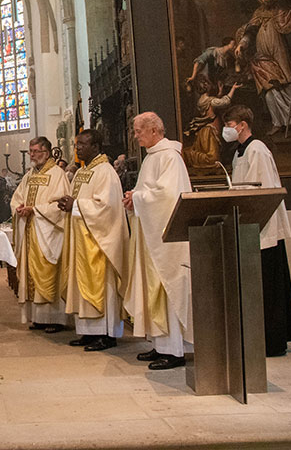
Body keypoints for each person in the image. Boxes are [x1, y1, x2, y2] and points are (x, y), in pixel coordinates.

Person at [223, 105, 291, 356]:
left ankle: (273, 340)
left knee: (269, 284)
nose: (227, 130)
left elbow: (266, 188)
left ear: (242, 125)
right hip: (249, 224)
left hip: (263, 225)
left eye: (230, 124)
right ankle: (259, 336)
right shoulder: (239, 152)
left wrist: (253, 210)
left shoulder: (258, 149)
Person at [123, 112, 194, 370]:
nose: (136, 135)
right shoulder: (154, 156)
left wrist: (138, 197)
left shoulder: (169, 157)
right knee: (153, 288)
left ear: (154, 130)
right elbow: (151, 192)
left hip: (165, 240)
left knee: (165, 287)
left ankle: (174, 350)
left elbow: (168, 196)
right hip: (151, 236)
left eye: (139, 130)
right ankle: (159, 344)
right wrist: (135, 198)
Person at [58, 129, 129, 351]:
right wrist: (67, 203)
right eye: (77, 144)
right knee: (81, 284)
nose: (77, 148)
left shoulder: (105, 171)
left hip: (99, 241)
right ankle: (88, 332)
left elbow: (106, 206)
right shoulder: (81, 172)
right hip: (81, 238)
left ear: (96, 147)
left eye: (82, 145)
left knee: (101, 284)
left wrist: (75, 205)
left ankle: (106, 334)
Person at [10, 136, 70, 333]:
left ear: (46, 152)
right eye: (30, 151)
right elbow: (17, 197)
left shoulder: (57, 174)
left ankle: (54, 318)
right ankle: (39, 317)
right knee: (31, 273)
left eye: (35, 151)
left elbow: (60, 204)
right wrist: (19, 208)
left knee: (47, 270)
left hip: (48, 231)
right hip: (30, 230)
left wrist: (35, 210)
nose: (32, 155)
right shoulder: (30, 175)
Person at [235, 0, 291, 135]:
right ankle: (277, 123)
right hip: (263, 58)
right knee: (270, 92)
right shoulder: (258, 14)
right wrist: (241, 44)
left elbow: (290, 17)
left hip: (279, 54)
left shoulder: (279, 10)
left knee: (287, 86)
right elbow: (250, 32)